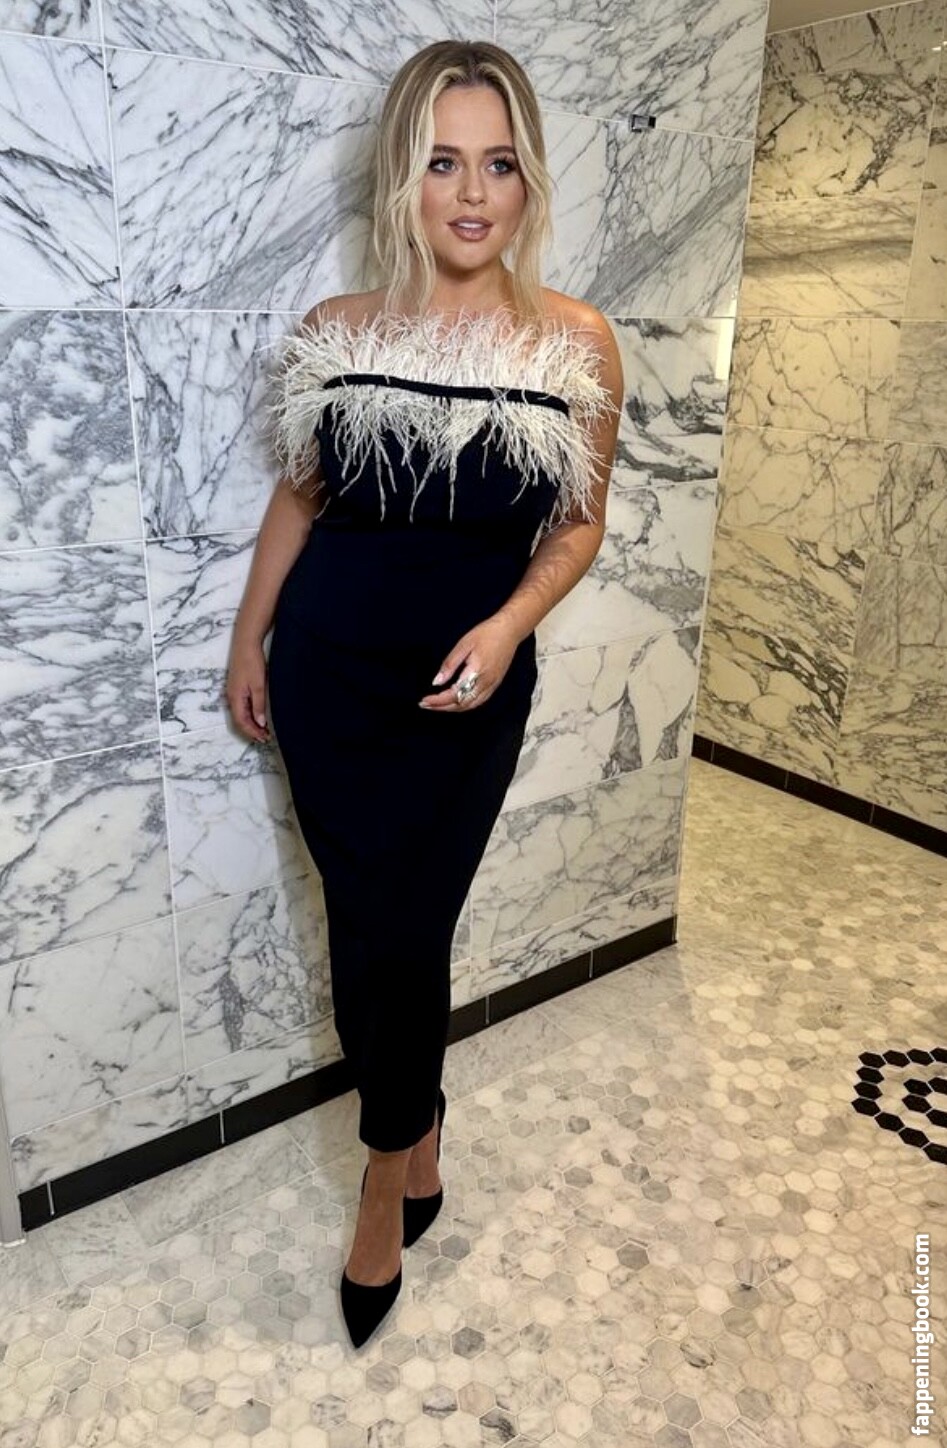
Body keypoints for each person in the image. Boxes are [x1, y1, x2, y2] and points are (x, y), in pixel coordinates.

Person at [226, 37, 623, 1349]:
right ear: (405, 177)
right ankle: (408, 1143)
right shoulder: (338, 334)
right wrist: (249, 641)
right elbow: (301, 500)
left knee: (410, 927)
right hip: (329, 679)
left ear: (529, 180)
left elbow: (580, 521)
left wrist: (509, 624)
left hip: (467, 693)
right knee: (372, 930)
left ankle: (385, 1163)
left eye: (498, 164)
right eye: (443, 162)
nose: (472, 194)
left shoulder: (575, 343)